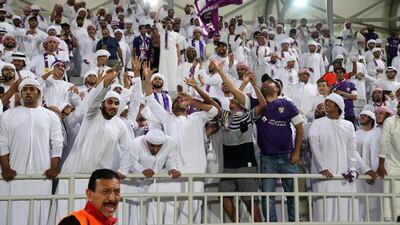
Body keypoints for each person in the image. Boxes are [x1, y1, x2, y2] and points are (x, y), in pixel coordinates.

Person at [143, 60, 218, 224]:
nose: (179, 101)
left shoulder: (196, 118)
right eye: (177, 100)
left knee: (192, 211)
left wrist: (193, 101)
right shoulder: (167, 118)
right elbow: (150, 100)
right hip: (175, 169)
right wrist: (147, 79)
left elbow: (214, 111)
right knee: (170, 209)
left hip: (195, 170)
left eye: (182, 100)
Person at [0, 78, 64, 225]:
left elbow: (57, 144)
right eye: (25, 89)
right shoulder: (8, 115)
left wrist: (54, 168)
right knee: (13, 211)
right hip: (14, 173)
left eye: (32, 89)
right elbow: (2, 144)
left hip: (42, 173)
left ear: (39, 93)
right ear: (21, 93)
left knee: (39, 212)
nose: (28, 92)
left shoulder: (50, 116)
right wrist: (6, 168)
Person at [256, 73, 304, 222]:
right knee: (267, 197)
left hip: (288, 157)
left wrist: (296, 152)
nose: (265, 84)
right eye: (263, 83)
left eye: (269, 82)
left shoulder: (287, 104)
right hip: (267, 158)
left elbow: (300, 127)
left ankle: (295, 222)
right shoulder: (257, 105)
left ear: (277, 88)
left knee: (293, 195)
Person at [309, 93, 360, 222]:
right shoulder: (317, 123)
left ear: (338, 106)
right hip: (325, 174)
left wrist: (352, 168)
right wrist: (322, 167)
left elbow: (351, 149)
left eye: (330, 102)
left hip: (344, 174)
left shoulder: (348, 125)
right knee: (325, 209)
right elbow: (314, 146)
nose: (326, 104)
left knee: (345, 208)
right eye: (326, 102)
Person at [377, 101, 400, 222]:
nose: (399, 107)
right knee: (392, 200)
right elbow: (384, 142)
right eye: (398, 105)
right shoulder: (390, 121)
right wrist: (381, 164)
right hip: (391, 165)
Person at [155, 8, 181, 92]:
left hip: (173, 54)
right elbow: (157, 22)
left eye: (170, 23)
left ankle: (173, 88)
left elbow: (177, 46)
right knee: (163, 69)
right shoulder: (162, 32)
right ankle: (164, 87)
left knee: (173, 70)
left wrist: (179, 57)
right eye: (167, 23)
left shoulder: (176, 34)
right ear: (165, 25)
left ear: (172, 25)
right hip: (164, 55)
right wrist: (158, 10)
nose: (169, 25)